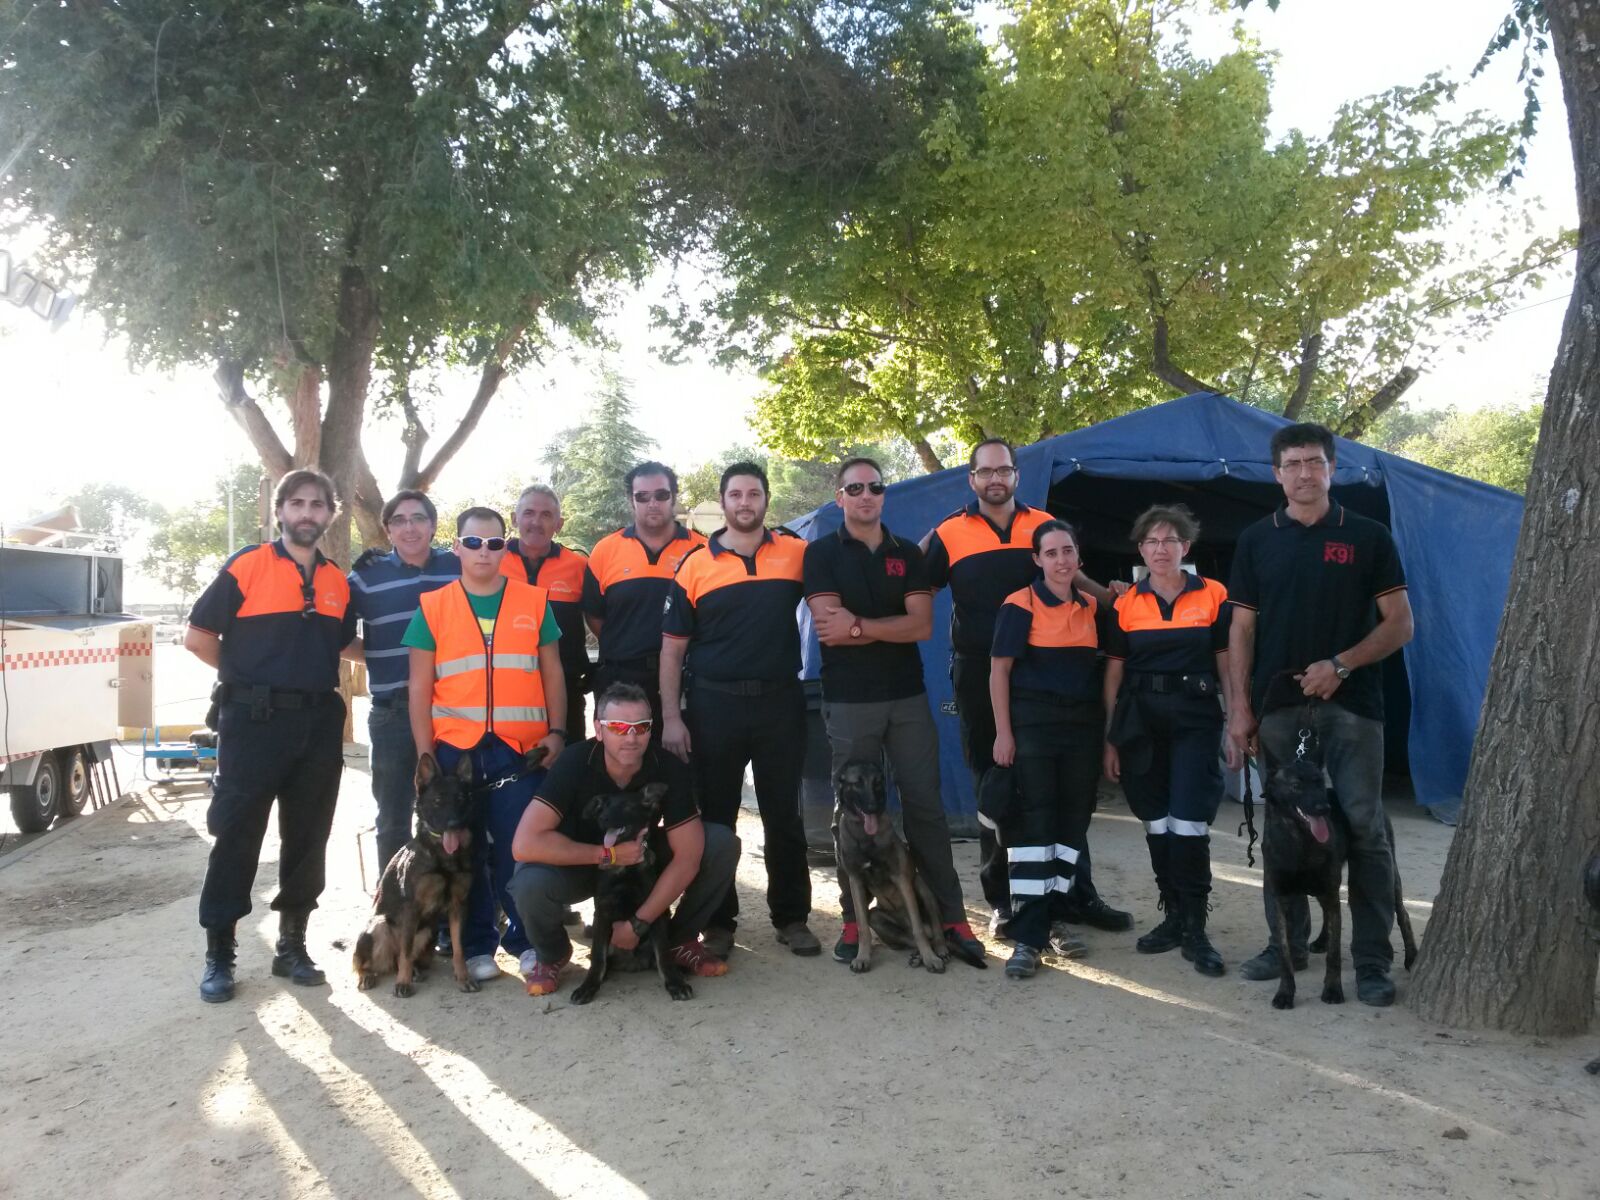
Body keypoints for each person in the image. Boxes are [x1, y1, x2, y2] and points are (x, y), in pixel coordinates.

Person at [1226, 423, 1414, 1006]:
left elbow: (1401, 624)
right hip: (1280, 709)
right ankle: (1286, 945)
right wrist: (1239, 707)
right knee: (1285, 826)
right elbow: (1241, 629)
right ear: (1277, 473)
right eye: (1293, 464)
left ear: (1333, 468)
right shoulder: (1258, 539)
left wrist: (1342, 664)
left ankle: (1372, 960)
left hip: (1354, 709)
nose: (1305, 473)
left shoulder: (1367, 535)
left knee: (1363, 829)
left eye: (1315, 462)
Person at [923, 437, 1130, 941]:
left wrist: (1113, 599)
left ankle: (1075, 894)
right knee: (997, 789)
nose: (996, 479)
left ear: (1017, 476)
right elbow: (915, 594)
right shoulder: (948, 533)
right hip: (981, 674)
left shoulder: (1041, 526)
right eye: (986, 472)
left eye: (1005, 470)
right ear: (971, 479)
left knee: (1069, 791)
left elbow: (1073, 576)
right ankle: (1004, 901)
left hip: (1049, 676)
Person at [802, 456, 986, 968]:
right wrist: (886, 624)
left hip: (906, 697)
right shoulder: (819, 554)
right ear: (839, 496)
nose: (866, 495)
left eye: (875, 487)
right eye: (854, 487)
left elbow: (921, 625)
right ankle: (853, 921)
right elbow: (826, 622)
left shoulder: (908, 553)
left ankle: (952, 918)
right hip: (848, 700)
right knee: (850, 815)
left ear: (884, 495)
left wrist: (858, 628)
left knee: (925, 808)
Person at [185, 468, 357, 1003]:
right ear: (279, 511)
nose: (307, 513)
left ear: (330, 515)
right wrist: (243, 680)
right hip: (252, 723)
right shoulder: (247, 566)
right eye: (297, 503)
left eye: (317, 505)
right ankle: (220, 955)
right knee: (237, 836)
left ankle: (292, 946)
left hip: (318, 723)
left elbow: (344, 647)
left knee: (308, 839)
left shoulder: (336, 581)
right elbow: (197, 637)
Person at [660, 462, 818, 960]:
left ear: (767, 500)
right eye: (735, 494)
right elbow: (671, 651)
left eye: (754, 493)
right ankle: (719, 922)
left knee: (783, 816)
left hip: (779, 702)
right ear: (722, 502)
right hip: (713, 705)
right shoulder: (693, 565)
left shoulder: (797, 553)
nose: (745, 502)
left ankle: (791, 918)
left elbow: (834, 598)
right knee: (718, 818)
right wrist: (671, 717)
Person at [405, 506, 568, 985]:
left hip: (520, 751)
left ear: (505, 546)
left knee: (520, 849)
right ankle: (475, 944)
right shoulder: (432, 606)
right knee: (463, 851)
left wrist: (557, 731)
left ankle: (525, 941)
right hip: (455, 753)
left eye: (494, 543)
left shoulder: (535, 602)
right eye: (473, 543)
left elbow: (552, 671)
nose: (484, 552)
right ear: (457, 546)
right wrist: (425, 756)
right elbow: (418, 688)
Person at [507, 683, 737, 996]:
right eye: (618, 727)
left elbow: (688, 856)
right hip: (581, 863)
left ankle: (678, 940)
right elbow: (524, 844)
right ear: (598, 730)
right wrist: (608, 855)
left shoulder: (666, 765)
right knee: (529, 881)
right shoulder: (575, 762)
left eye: (641, 727)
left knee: (721, 843)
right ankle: (552, 955)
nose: (631, 737)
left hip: (643, 862)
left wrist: (639, 923)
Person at [1101, 505, 1240, 978]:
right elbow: (1113, 674)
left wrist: (1237, 718)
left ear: (1186, 546)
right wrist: (1110, 739)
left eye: (1170, 540)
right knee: (1157, 823)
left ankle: (1197, 929)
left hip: (1196, 719)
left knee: (1189, 823)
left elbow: (1226, 663)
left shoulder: (1214, 595)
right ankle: (1173, 917)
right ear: (1140, 549)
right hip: (1140, 722)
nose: (1161, 549)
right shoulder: (1126, 602)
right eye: (1151, 542)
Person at [988, 520, 1110, 979]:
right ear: (1037, 560)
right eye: (1051, 552)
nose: (1061, 560)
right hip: (1034, 728)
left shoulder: (1092, 608)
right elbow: (999, 672)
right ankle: (1027, 936)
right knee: (1033, 832)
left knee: (1071, 828)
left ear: (1079, 558)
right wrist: (1004, 733)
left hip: (1081, 730)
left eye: (1068, 551)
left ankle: (1055, 916)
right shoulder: (1019, 605)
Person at [345, 489, 460, 874]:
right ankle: (393, 911)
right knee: (393, 817)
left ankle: (450, 917)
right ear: (387, 529)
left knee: (455, 813)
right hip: (393, 712)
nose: (409, 527)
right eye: (398, 520)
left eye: (417, 518)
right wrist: (383, 657)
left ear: (432, 525)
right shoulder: (364, 577)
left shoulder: (458, 567)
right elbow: (340, 638)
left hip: (454, 710)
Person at [582, 462, 707, 729]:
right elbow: (594, 615)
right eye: (642, 496)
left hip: (686, 681)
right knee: (620, 765)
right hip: (619, 678)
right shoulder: (605, 550)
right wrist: (627, 643)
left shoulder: (702, 550)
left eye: (661, 495)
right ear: (631, 500)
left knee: (683, 764)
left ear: (674, 497)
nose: (653, 503)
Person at [501, 484, 591, 738]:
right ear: (514, 518)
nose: (536, 522)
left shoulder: (578, 567)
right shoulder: (491, 560)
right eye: (529, 513)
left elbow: (599, 617)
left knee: (565, 769)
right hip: (506, 690)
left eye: (546, 515)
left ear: (559, 524)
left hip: (565, 690)